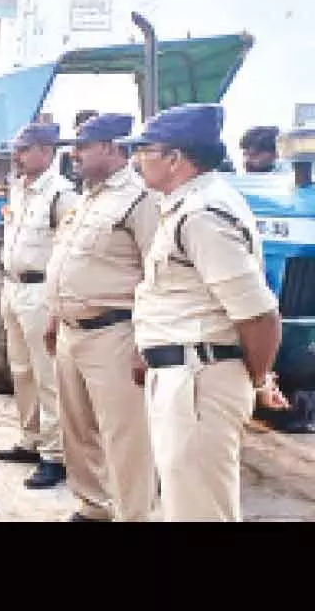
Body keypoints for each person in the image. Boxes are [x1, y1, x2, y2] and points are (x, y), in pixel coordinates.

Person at [119, 103, 285, 522]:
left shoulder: (203, 215)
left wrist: (254, 377)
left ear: (175, 158)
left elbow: (260, 317)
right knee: (185, 505)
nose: (137, 160)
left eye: (145, 151)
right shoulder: (186, 204)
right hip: (187, 375)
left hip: (199, 380)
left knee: (199, 512)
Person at [44, 113, 158, 522]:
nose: (74, 155)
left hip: (115, 332)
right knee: (77, 431)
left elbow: (156, 276)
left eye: (83, 146)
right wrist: (55, 318)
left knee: (126, 437)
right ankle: (93, 508)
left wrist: (146, 345)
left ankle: (134, 516)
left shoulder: (140, 199)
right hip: (72, 332)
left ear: (111, 147)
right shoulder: (88, 196)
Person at [0, 121, 78, 490]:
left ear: (46, 151)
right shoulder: (20, 189)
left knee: (48, 377)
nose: (18, 155)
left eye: (26, 149)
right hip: (13, 287)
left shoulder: (62, 194)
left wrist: (58, 303)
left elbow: (68, 251)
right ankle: (31, 440)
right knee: (20, 370)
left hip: (41, 290)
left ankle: (55, 455)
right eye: (18, 149)